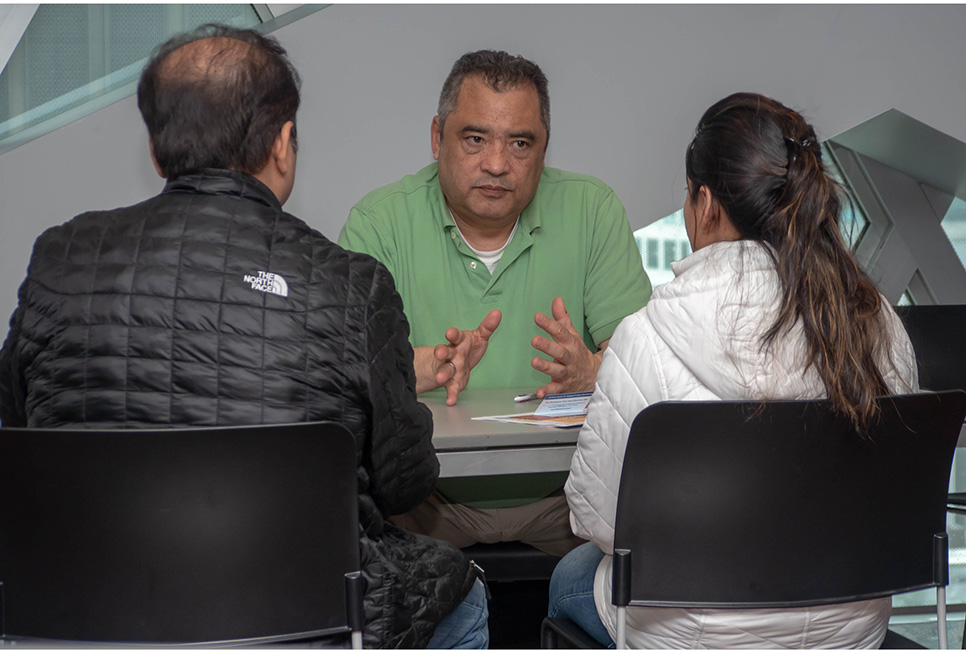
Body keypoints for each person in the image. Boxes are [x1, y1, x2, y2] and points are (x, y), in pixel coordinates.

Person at [0, 25, 487, 650]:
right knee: (464, 598)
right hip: (298, 624)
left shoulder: (61, 258)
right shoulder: (350, 284)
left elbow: (17, 434)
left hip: (85, 615)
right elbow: (404, 483)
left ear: (156, 150)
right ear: (284, 144)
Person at [554, 92, 919, 648]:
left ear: (705, 203)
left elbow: (599, 522)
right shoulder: (879, 323)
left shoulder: (649, 336)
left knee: (569, 577)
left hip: (693, 634)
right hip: (848, 631)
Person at [338, 50, 650, 557]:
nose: (498, 164)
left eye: (520, 143)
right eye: (475, 139)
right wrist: (409, 368)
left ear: (544, 150)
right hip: (426, 499)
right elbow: (338, 374)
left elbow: (645, 364)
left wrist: (593, 370)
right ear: (438, 137)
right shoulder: (379, 223)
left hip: (568, 496)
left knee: (655, 574)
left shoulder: (593, 209)